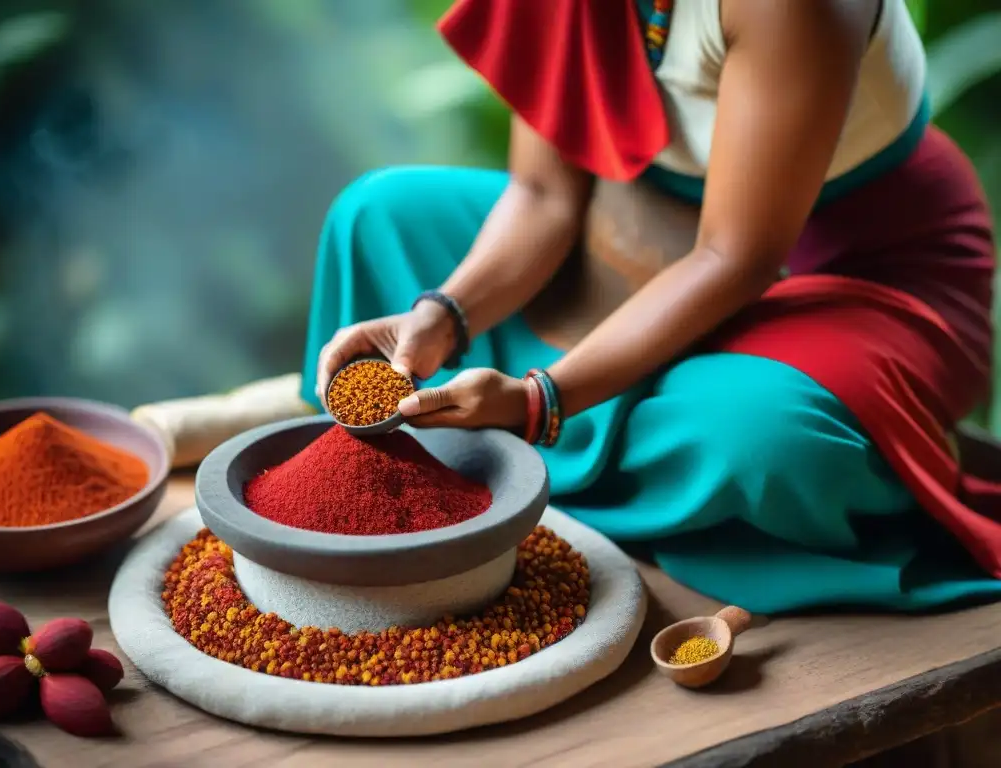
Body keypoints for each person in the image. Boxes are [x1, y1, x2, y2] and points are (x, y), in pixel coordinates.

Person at [302, 0, 1001, 612]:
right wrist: (445, 315)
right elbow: (543, 196)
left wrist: (540, 400)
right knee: (377, 215)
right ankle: (590, 457)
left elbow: (733, 258)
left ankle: (522, 445)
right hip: (634, 234)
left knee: (760, 437)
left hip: (849, 277)